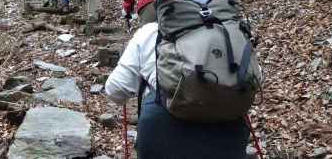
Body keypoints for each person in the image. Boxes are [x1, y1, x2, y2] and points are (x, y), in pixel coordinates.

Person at [105, 22, 251, 159]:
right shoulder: (231, 33)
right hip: (228, 137)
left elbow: (116, 90)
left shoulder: (151, 32)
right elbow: (254, 81)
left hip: (162, 136)